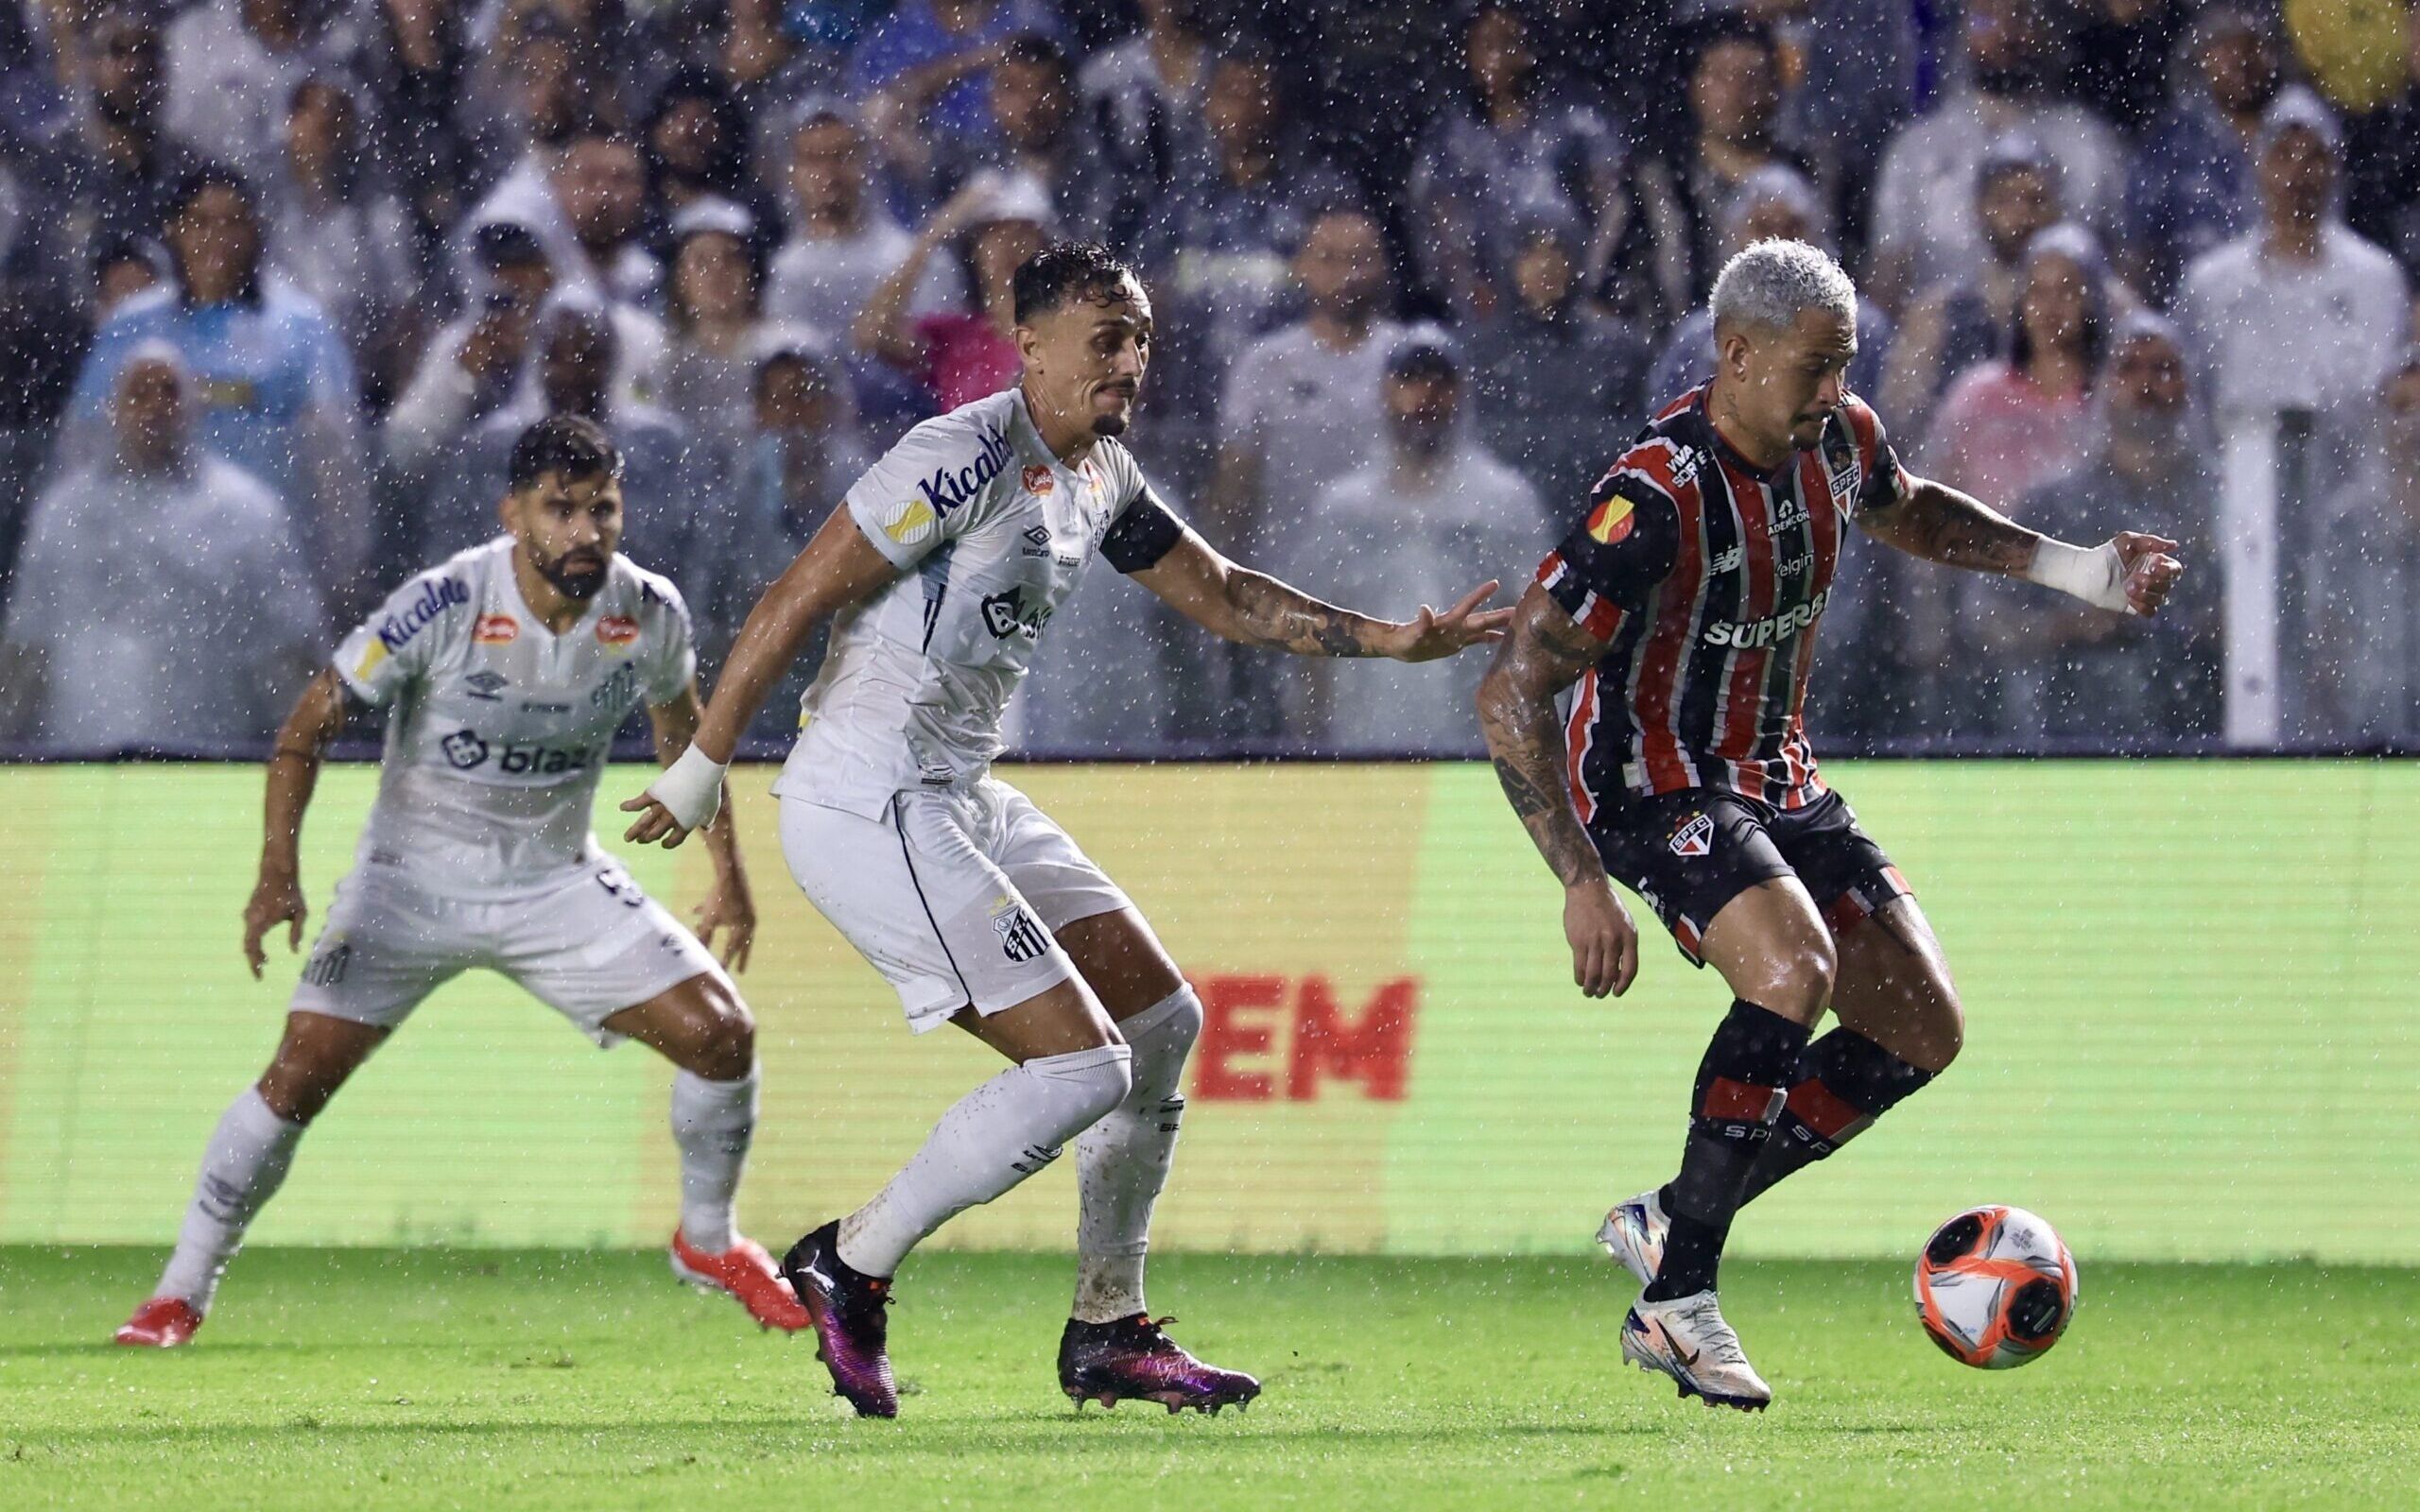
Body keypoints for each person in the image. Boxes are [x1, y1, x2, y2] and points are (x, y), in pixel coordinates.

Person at [618, 242, 1511, 1418]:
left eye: (1138, 337)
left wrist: (1389, 639)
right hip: (866, 792)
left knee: (1163, 1022)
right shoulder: (962, 453)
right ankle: (853, 1258)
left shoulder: (1103, 477)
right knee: (1082, 1065)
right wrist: (699, 766)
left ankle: (1108, 1326)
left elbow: (1230, 593)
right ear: (1027, 347)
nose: (1129, 360)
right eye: (1105, 338)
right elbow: (799, 593)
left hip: (959, 787)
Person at [1472, 239, 2183, 1411]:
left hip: (1777, 775)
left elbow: (1909, 513)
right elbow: (1511, 683)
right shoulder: (1650, 497)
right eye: (1810, 369)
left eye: (1840, 368)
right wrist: (1578, 877)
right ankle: (1676, 1301)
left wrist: (2082, 572)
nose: (1828, 393)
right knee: (1791, 970)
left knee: (1918, 1027)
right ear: (1736, 355)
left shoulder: (1838, 435)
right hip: (1653, 782)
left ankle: (1671, 1219)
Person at [112, 415, 804, 1349]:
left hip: (553, 879)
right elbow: (308, 723)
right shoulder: (439, 604)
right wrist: (277, 871)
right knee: (297, 1076)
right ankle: (179, 1289)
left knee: (722, 1035)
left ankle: (707, 1239)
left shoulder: (647, 612)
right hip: (410, 884)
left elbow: (685, 741)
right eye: (559, 510)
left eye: (601, 508)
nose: (583, 533)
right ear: (512, 513)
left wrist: (729, 873)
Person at [0, 344, 323, 752]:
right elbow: (27, 651)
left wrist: (306, 756)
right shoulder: (64, 515)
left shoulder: (248, 512)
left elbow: (288, 651)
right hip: (78, 760)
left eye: (169, 391)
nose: (154, 407)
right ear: (113, 410)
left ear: (194, 406)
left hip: (208, 760)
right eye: (138, 393)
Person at [68, 164, 367, 597]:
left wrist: (344, 574)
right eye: (201, 223)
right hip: (149, 562)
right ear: (174, 230)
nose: (218, 238)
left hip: (269, 562)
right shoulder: (132, 328)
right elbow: (85, 448)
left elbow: (337, 462)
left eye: (234, 222)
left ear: (257, 229)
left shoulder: (302, 328)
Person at [1273, 338, 1547, 753]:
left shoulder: (1503, 501)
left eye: (1439, 383)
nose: (1425, 397)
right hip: (1361, 745)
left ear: (1461, 393)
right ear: (1384, 391)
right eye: (1410, 381)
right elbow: (1310, 634)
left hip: (1475, 750)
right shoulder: (1344, 507)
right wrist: (1308, 738)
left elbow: (1538, 630)